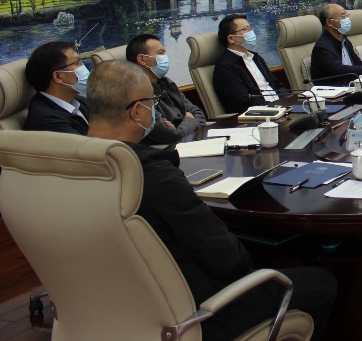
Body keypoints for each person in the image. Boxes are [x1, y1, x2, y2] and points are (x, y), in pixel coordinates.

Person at [84, 61, 337, 341]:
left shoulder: (69, 165)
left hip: (110, 307)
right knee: (322, 283)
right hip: (199, 313)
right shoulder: (154, 175)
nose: (154, 109)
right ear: (136, 112)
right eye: (152, 103)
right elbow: (230, 260)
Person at [126, 33, 206, 144]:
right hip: (165, 150)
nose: (165, 57)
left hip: (189, 142)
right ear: (142, 59)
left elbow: (199, 114)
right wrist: (188, 119)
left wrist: (180, 128)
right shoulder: (138, 95)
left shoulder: (166, 83)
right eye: (160, 53)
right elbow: (171, 136)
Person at [212, 14, 284, 115]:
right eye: (245, 29)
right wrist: (276, 108)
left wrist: (288, 102)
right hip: (260, 116)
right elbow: (244, 102)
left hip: (281, 109)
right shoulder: (225, 67)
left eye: (250, 28)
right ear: (231, 39)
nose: (251, 32)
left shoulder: (256, 58)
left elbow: (277, 85)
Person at [23, 41, 89, 134]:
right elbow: (90, 143)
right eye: (77, 63)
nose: (83, 67)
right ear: (58, 77)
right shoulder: (46, 121)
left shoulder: (78, 101)